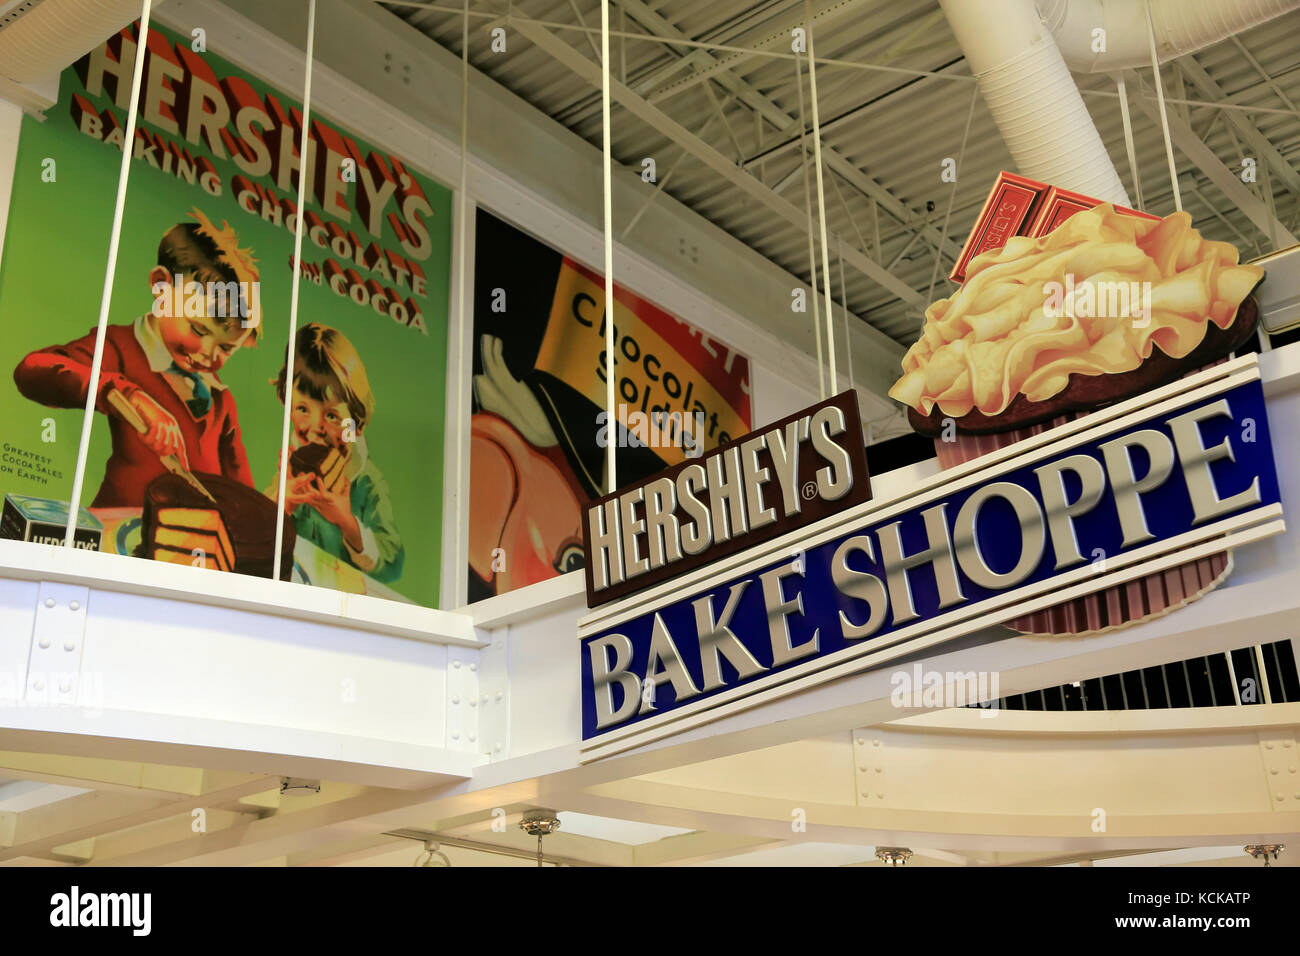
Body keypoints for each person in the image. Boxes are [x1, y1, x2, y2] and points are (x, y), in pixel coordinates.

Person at [13, 208, 261, 507]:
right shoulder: (121, 347)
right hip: (117, 536)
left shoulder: (221, 400)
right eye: (197, 329)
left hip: (192, 546)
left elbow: (245, 496)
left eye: (226, 349)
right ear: (161, 286)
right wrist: (129, 397)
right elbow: (33, 370)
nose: (208, 355)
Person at [271, 323, 404, 583]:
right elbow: (258, 533)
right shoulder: (293, 468)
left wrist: (347, 523)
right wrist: (282, 501)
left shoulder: (367, 482)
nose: (316, 428)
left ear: (356, 422)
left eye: (332, 415)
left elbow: (393, 564)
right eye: (302, 409)